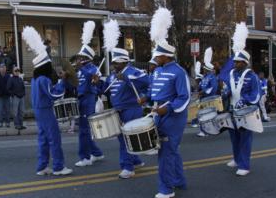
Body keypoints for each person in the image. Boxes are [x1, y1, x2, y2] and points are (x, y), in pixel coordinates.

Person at [139, 40, 190, 198]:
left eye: (157, 56)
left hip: (173, 116)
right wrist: (145, 98)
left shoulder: (179, 72)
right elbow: (154, 92)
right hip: (158, 113)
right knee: (171, 151)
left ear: (164, 56)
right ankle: (179, 180)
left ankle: (166, 190)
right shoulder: (158, 71)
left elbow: (184, 97)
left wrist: (167, 108)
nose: (155, 59)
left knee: (166, 153)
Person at [22, 26, 72, 176]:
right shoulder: (44, 79)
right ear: (45, 66)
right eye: (48, 65)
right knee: (54, 139)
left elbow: (47, 92)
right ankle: (58, 167)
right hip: (45, 111)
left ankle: (42, 167)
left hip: (39, 111)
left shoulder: (36, 79)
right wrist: (62, 81)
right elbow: (54, 95)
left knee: (43, 140)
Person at [98, 48, 149, 179]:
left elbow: (147, 82)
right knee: (123, 138)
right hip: (118, 110)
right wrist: (97, 82)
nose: (114, 65)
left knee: (126, 139)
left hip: (131, 109)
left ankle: (127, 167)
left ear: (125, 62)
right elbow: (105, 90)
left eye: (117, 63)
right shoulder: (113, 74)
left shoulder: (134, 72)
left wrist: (126, 79)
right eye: (114, 63)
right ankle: (135, 160)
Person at [224, 50, 260, 176]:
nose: (235, 63)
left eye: (238, 62)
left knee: (245, 139)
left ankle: (244, 165)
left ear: (245, 63)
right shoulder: (232, 74)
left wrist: (245, 101)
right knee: (234, 138)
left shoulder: (252, 76)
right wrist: (226, 93)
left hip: (246, 112)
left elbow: (256, 96)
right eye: (235, 61)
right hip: (232, 110)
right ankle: (237, 159)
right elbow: (231, 89)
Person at [73, 21, 104, 167]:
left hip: (89, 99)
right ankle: (97, 153)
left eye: (80, 57)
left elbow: (94, 80)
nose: (78, 59)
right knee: (84, 129)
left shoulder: (93, 69)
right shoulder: (80, 69)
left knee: (84, 130)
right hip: (81, 99)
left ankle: (85, 158)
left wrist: (81, 69)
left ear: (86, 58)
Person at [197, 47, 218, 137]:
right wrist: (198, 89)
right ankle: (204, 130)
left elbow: (213, 88)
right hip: (203, 98)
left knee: (207, 115)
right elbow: (200, 85)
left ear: (208, 69)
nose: (203, 70)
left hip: (209, 98)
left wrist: (203, 92)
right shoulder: (204, 77)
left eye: (204, 69)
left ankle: (207, 131)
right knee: (202, 114)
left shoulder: (212, 77)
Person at [7, 66, 26, 130]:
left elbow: (23, 87)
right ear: (13, 72)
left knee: (22, 111)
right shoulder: (11, 79)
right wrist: (13, 95)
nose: (17, 71)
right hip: (15, 97)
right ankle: (17, 125)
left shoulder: (20, 79)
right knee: (15, 112)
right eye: (16, 70)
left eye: (18, 70)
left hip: (21, 97)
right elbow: (8, 89)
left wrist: (23, 94)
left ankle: (21, 124)